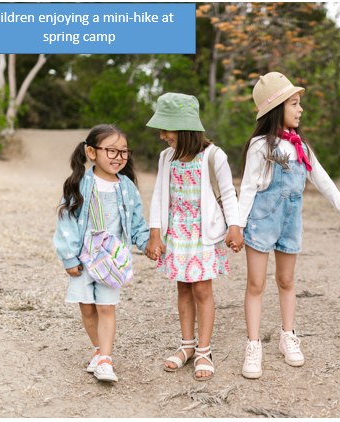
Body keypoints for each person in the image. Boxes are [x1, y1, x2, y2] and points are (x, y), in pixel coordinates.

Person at [238, 72, 340, 379]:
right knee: (256, 284)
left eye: (299, 103)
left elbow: (321, 178)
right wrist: (236, 225)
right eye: (294, 103)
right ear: (277, 108)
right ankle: (253, 345)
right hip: (261, 223)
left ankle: (287, 336)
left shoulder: (301, 146)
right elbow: (248, 188)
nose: (300, 109)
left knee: (287, 280)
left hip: (290, 224)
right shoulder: (261, 146)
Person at [145, 92, 243, 381]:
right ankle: (186, 345)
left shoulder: (214, 155)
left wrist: (234, 226)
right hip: (177, 233)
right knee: (183, 289)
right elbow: (159, 195)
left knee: (202, 290)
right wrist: (155, 233)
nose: (162, 135)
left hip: (203, 234)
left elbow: (227, 192)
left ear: (185, 128)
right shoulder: (167, 158)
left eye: (167, 128)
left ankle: (204, 349)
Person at [53, 124, 153, 383]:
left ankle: (106, 359)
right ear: (91, 152)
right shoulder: (78, 183)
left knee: (106, 308)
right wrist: (69, 257)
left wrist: (147, 244)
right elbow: (66, 223)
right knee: (87, 309)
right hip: (84, 259)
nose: (118, 157)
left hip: (112, 261)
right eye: (111, 150)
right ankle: (99, 350)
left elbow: (137, 222)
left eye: (124, 152)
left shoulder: (127, 187)